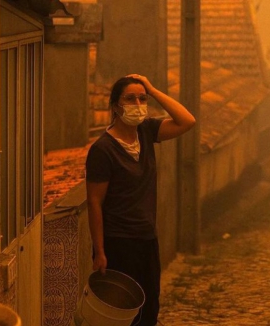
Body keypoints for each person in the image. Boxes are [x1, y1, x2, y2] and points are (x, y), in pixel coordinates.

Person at [85, 74, 196, 326]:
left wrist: (154, 90)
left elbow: (187, 121)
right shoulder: (103, 150)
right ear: (115, 106)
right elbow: (94, 202)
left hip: (146, 237)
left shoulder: (146, 132)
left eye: (141, 99)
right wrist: (100, 251)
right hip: (118, 242)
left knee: (150, 306)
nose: (137, 104)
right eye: (130, 98)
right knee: (123, 312)